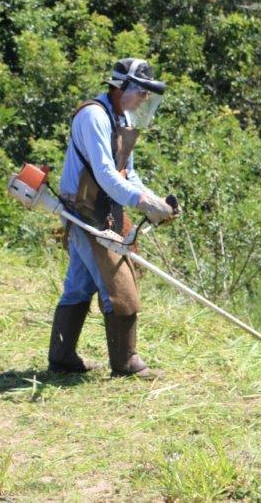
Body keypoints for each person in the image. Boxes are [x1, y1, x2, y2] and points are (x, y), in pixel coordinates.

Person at [48, 58, 177, 379]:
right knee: (119, 284)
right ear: (123, 88)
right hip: (84, 212)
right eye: (142, 93)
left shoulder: (121, 119)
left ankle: (62, 358)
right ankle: (126, 362)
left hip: (105, 209)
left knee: (79, 286)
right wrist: (142, 201)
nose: (145, 100)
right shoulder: (93, 116)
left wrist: (153, 202)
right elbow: (105, 175)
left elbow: (127, 174)